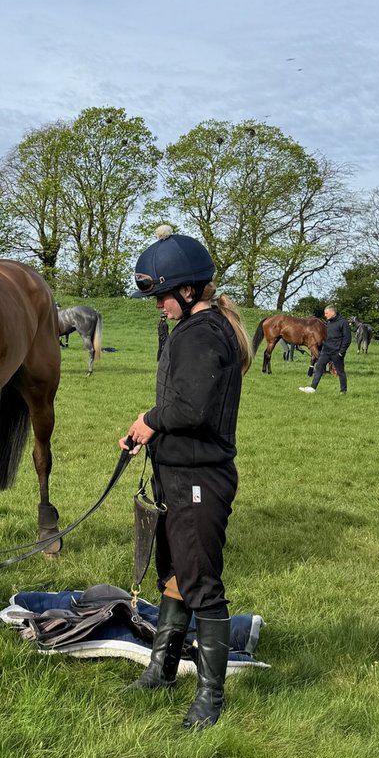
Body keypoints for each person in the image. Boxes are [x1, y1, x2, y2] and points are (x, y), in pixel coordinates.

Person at [119, 226, 252, 729]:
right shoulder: (195, 330)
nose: (158, 305)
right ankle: (162, 670)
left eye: (161, 296)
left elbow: (190, 407)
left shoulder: (201, 335)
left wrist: (151, 421)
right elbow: (178, 404)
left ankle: (210, 701)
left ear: (188, 290)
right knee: (175, 575)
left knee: (202, 584)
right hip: (176, 472)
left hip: (199, 478)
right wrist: (146, 428)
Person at [300, 305, 351, 394]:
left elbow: (347, 339)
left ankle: (343, 391)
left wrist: (341, 352)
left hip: (337, 352)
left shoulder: (343, 323)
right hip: (326, 351)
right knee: (319, 366)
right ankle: (312, 388)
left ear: (332, 312)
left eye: (326, 313)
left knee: (340, 372)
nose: (325, 315)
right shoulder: (329, 323)